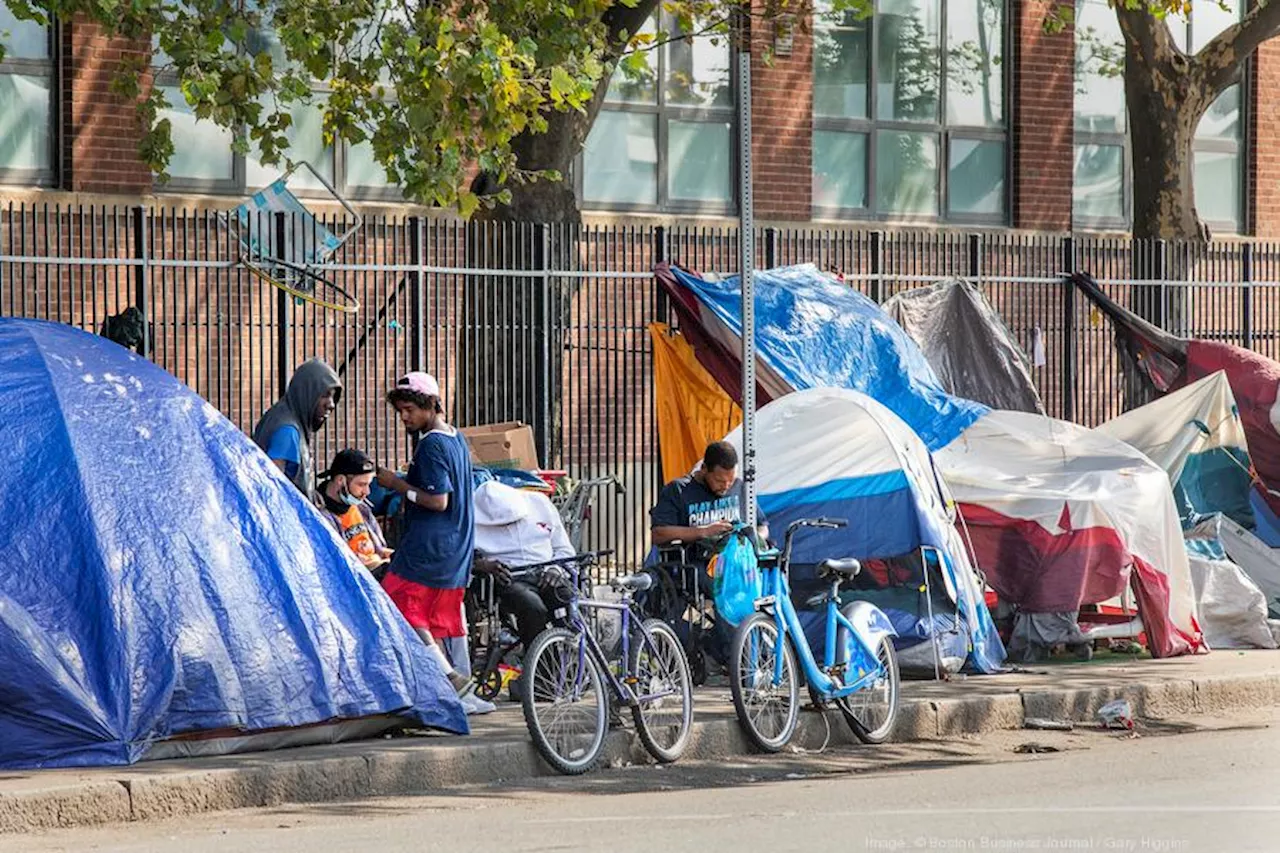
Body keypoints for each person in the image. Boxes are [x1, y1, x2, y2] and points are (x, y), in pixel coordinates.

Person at [375, 372, 496, 714]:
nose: (404, 418)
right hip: (456, 545)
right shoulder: (455, 437)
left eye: (409, 409)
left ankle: (449, 676)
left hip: (429, 547)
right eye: (400, 411)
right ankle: (465, 693)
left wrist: (396, 483)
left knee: (399, 599)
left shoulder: (430, 444)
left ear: (430, 405)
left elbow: (437, 500)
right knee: (444, 617)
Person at [472, 476, 577, 649]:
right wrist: (482, 565)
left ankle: (572, 659)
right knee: (533, 608)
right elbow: (459, 557)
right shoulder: (471, 521)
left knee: (565, 600)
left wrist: (555, 569)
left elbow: (564, 549)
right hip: (509, 578)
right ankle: (541, 666)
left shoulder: (539, 504)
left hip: (545, 571)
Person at [651, 440, 768, 549]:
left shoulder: (741, 487)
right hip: (696, 565)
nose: (726, 486)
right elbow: (658, 533)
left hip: (738, 564)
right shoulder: (678, 490)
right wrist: (704, 532)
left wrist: (754, 541)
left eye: (731, 480)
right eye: (719, 481)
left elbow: (762, 526)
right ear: (704, 469)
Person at [252, 358, 342, 497]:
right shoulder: (287, 431)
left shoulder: (283, 417)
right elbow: (272, 487)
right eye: (324, 395)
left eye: (333, 397)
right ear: (307, 393)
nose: (331, 404)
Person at [316, 448, 393, 579]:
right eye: (362, 484)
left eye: (368, 484)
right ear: (341, 480)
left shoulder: (361, 507)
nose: (367, 492)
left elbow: (380, 549)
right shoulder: (318, 515)